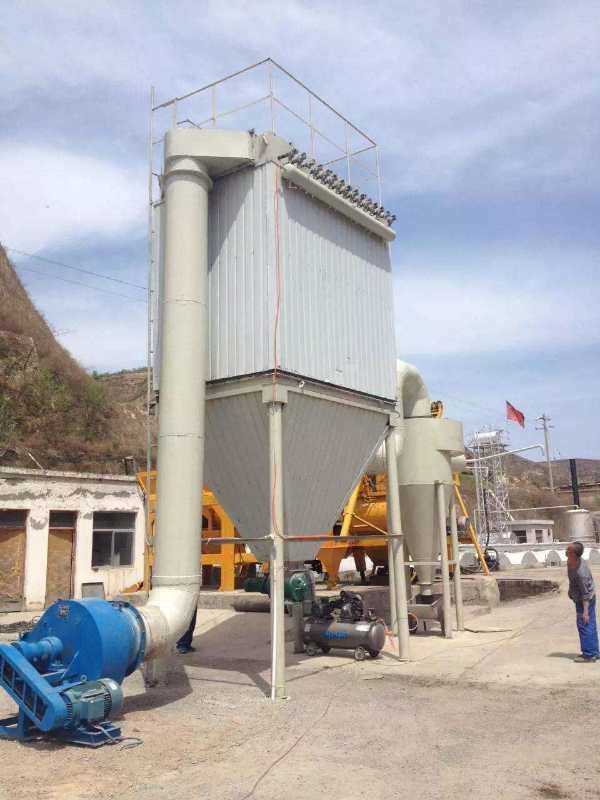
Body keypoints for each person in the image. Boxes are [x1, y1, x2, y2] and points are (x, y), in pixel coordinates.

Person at [567, 541, 599, 663]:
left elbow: (586, 594)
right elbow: (572, 580)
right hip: (579, 597)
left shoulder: (582, 572)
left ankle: (589, 655)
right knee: (589, 625)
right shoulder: (571, 562)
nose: (566, 552)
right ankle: (594, 652)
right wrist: (571, 590)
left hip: (586, 600)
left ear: (574, 554)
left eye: (568, 550)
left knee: (584, 624)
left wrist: (585, 612)